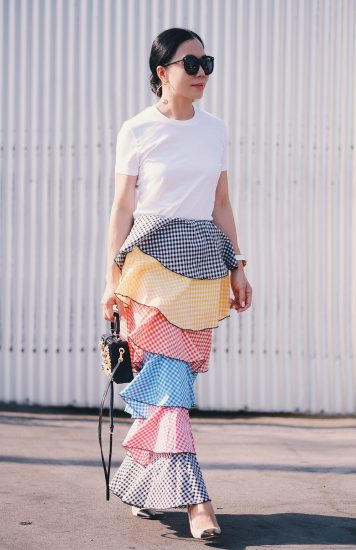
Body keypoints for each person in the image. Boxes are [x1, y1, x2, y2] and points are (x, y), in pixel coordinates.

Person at [101, 27, 252, 540]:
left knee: (172, 388)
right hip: (148, 271)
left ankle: (142, 484)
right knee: (170, 389)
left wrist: (238, 264)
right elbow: (123, 208)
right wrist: (109, 279)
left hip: (203, 271)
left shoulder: (215, 129)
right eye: (191, 64)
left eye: (207, 63)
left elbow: (221, 203)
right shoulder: (137, 129)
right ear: (162, 73)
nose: (202, 73)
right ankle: (196, 502)